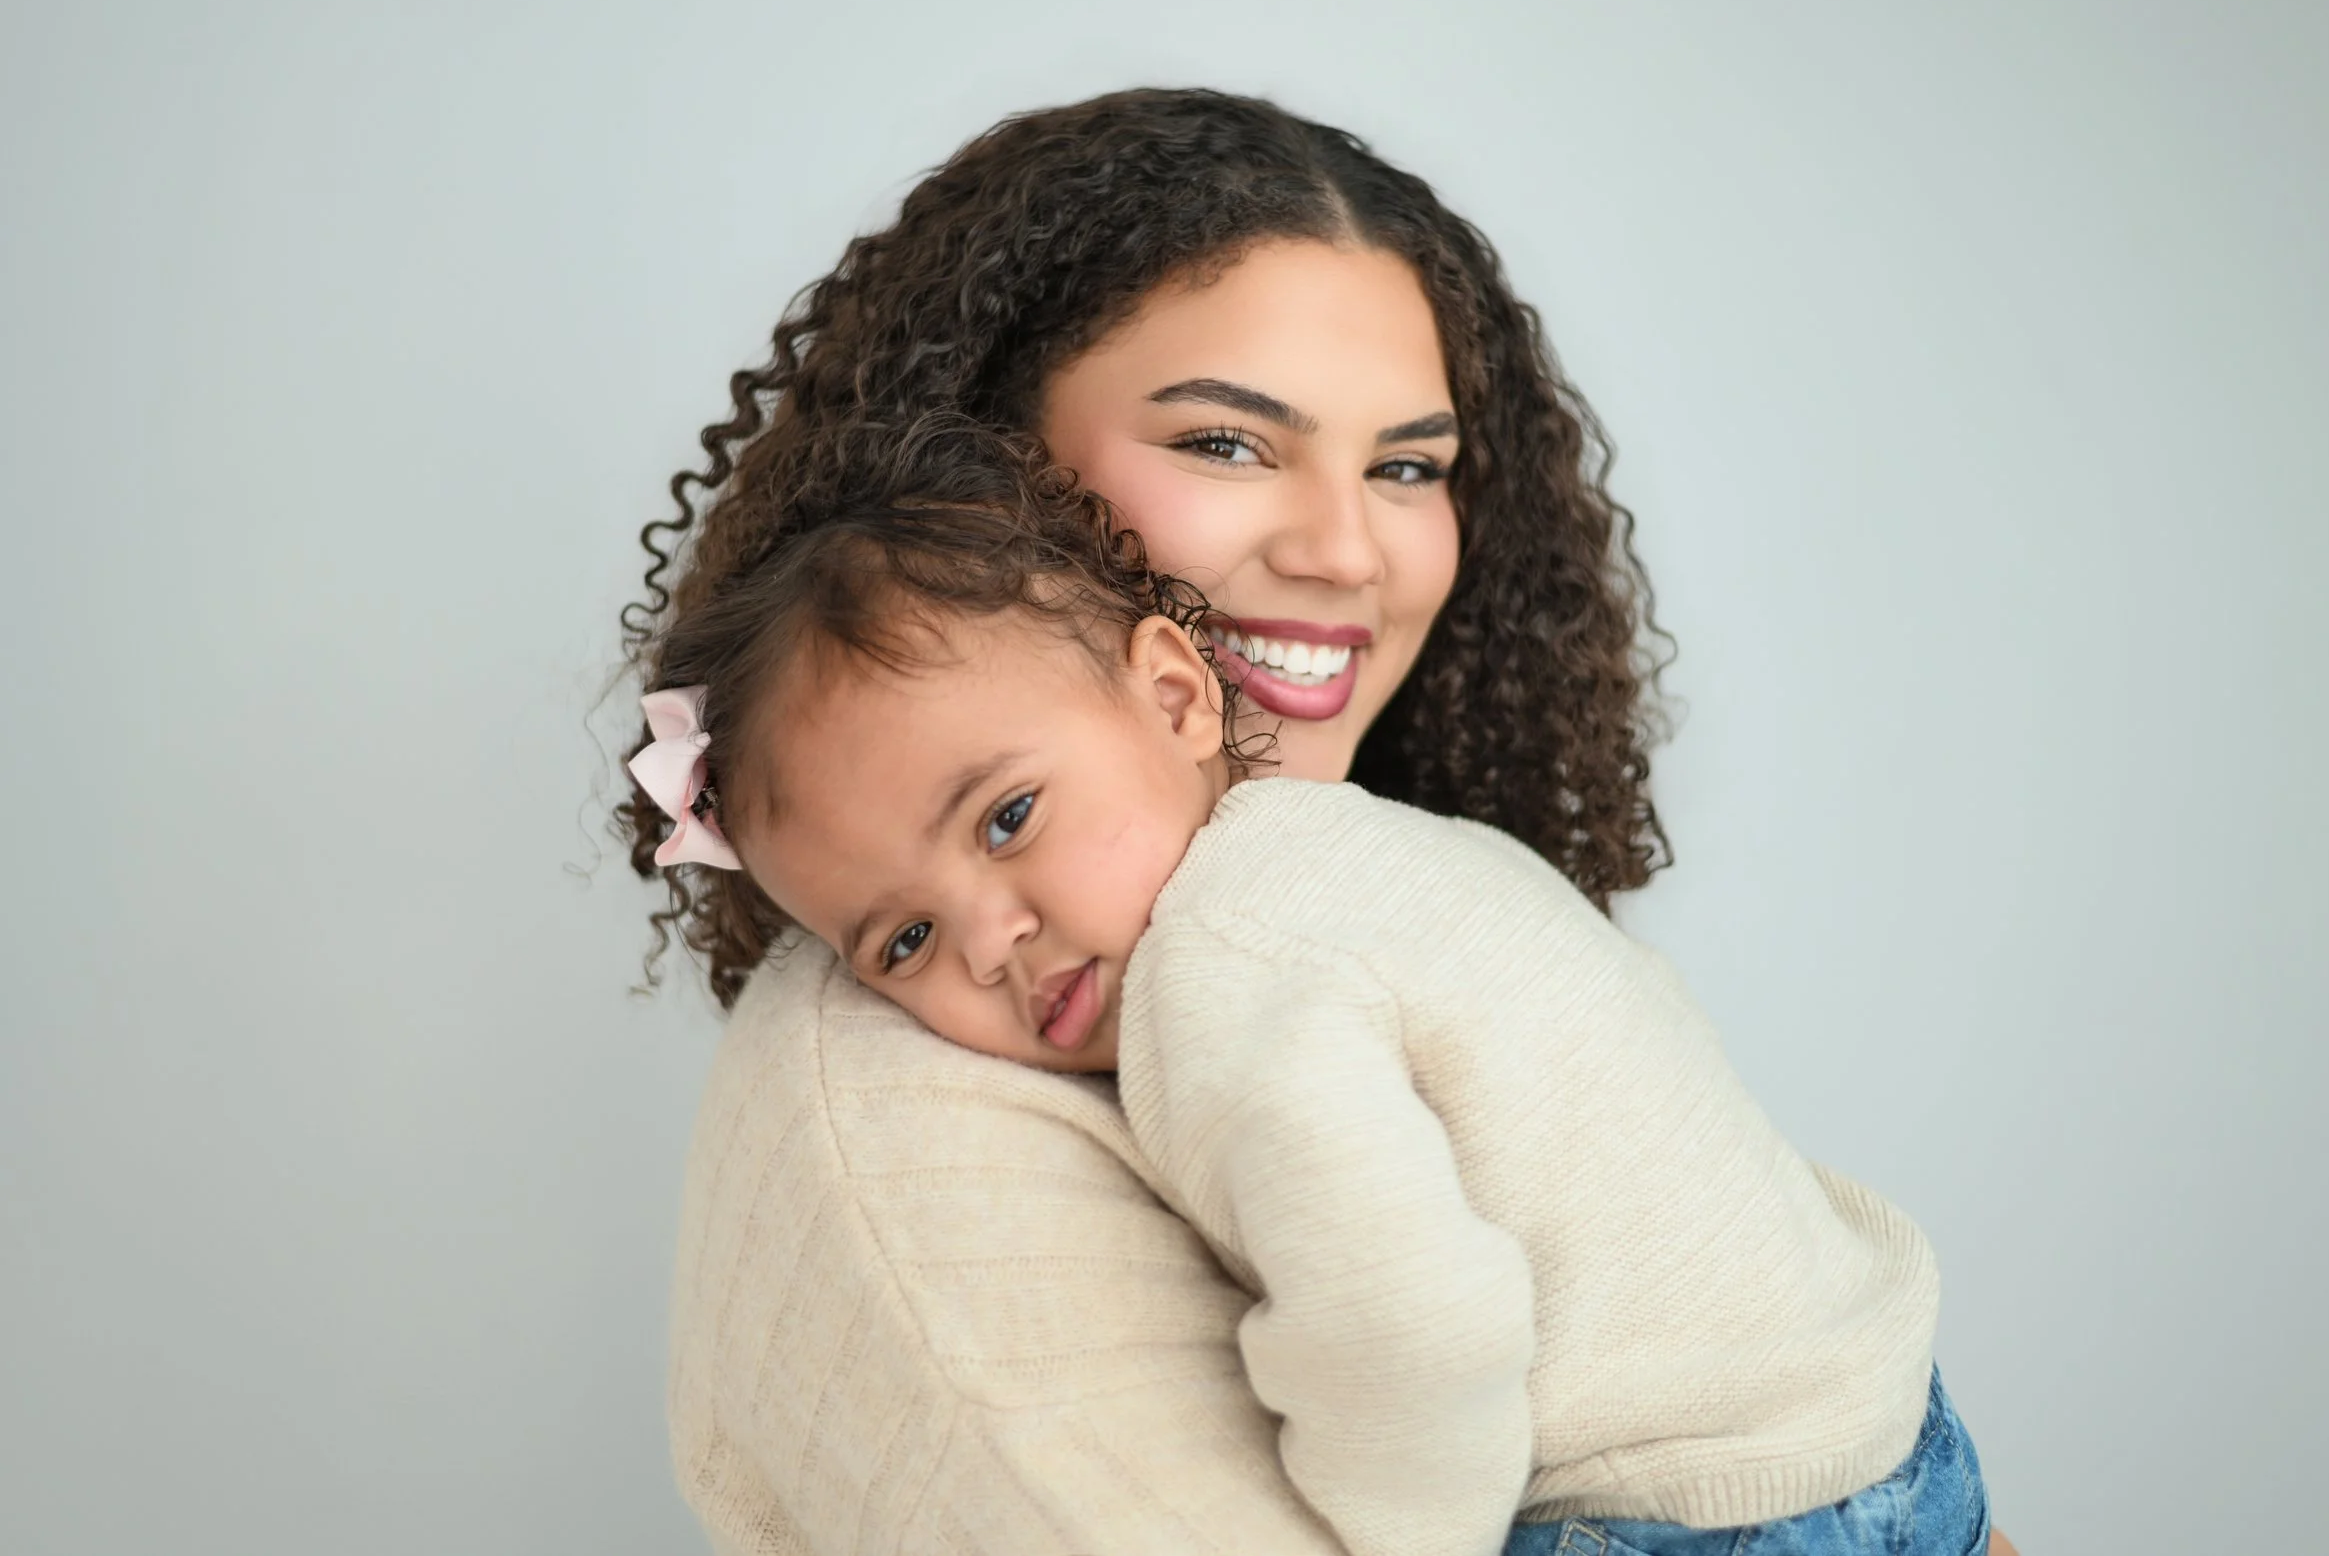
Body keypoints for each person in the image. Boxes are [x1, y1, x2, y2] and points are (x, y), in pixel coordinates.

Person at [617, 89, 2021, 1555]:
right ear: (984, 475)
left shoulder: (1280, 916)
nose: (1346, 548)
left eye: (1408, 465)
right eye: (1227, 443)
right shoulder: (907, 1119)